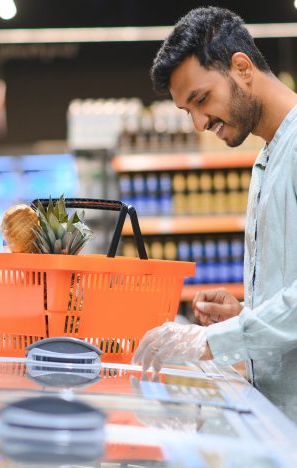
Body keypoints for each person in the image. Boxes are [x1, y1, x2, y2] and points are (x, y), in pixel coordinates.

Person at [133, 6, 297, 424]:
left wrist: (212, 340)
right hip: (276, 431)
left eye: (201, 100)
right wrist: (248, 314)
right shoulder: (265, 162)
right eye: (187, 111)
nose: (199, 123)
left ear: (242, 68)